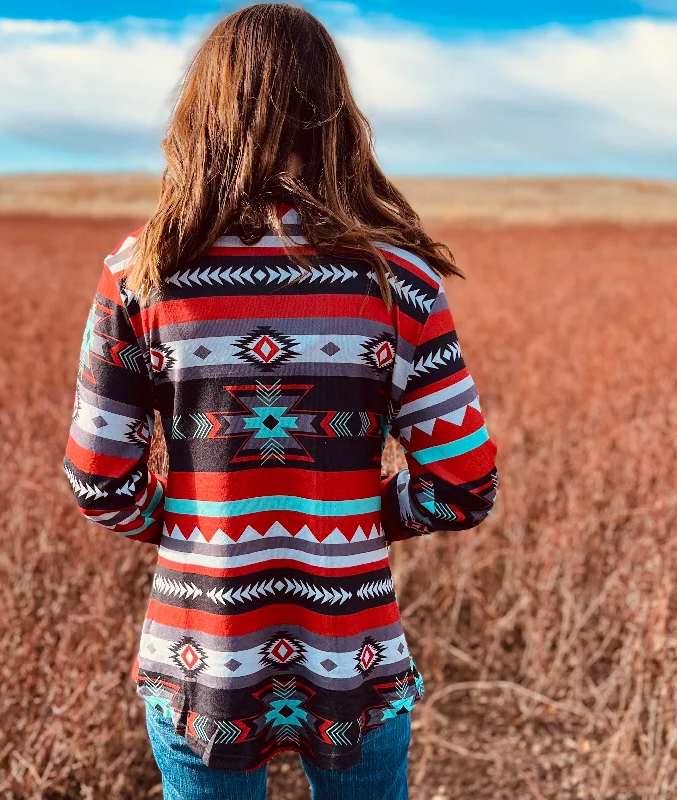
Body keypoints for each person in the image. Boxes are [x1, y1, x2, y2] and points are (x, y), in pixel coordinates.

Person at [63, 4, 498, 798]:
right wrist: (352, 519)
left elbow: (99, 482)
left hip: (202, 651)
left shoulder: (141, 274)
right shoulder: (400, 281)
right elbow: (464, 484)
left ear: (204, 112)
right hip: (355, 651)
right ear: (335, 116)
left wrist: (207, 525)